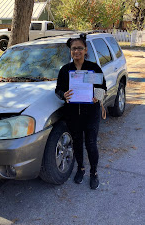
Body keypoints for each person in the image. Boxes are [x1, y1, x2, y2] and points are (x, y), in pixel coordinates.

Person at [55, 34, 107, 190]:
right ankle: (81, 169)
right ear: (70, 51)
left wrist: (97, 97)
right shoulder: (65, 70)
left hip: (91, 112)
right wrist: (63, 95)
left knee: (91, 144)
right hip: (72, 113)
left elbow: (102, 88)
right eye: (73, 49)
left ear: (85, 50)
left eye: (79, 48)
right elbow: (58, 89)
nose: (76, 51)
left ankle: (94, 173)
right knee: (77, 142)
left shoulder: (93, 69)